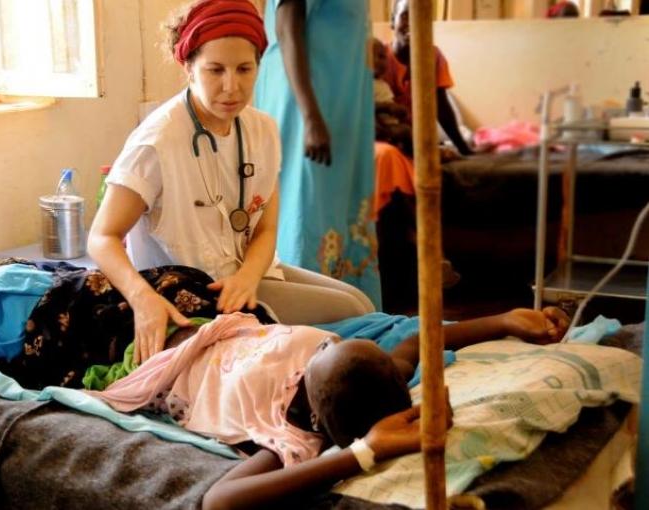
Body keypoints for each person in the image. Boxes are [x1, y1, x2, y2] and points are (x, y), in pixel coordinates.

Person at [88, 0, 374, 366]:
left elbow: (266, 228)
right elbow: (101, 237)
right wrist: (142, 300)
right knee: (354, 313)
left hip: (242, 275)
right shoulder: (157, 142)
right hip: (195, 290)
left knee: (361, 303)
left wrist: (250, 276)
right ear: (188, 67)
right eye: (215, 70)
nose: (231, 86)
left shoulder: (262, 130)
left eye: (244, 69)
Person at [89, 306, 570, 509]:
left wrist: (365, 453)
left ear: (316, 419)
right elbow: (418, 341)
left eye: (318, 359)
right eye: (329, 346)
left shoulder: (290, 441)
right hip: (205, 324)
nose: (319, 351)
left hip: (152, 355)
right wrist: (504, 321)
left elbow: (220, 501)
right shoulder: (379, 374)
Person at [253, 0, 382, 310]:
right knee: (307, 207)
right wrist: (310, 116)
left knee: (339, 208)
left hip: (340, 108)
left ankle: (355, 319)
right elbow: (287, 27)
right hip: (309, 106)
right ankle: (309, 324)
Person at [383, 0, 472, 157]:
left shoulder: (433, 56)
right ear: (392, 21)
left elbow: (441, 106)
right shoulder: (378, 57)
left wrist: (463, 149)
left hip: (417, 141)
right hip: (386, 136)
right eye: (405, 16)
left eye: (419, 17)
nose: (413, 23)